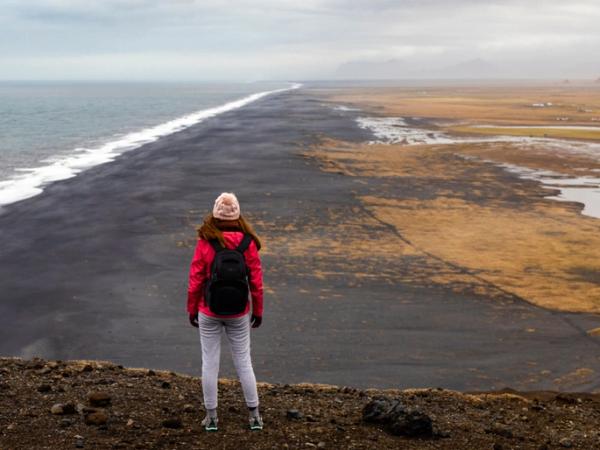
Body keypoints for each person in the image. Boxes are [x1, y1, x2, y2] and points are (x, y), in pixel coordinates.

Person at [187, 192, 264, 432]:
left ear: (215, 214)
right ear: (238, 214)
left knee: (210, 363)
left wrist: (192, 310)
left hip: (208, 310)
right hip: (239, 311)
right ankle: (254, 417)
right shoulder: (248, 243)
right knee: (243, 361)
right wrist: (258, 311)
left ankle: (211, 418)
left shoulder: (205, 241)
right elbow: (256, 282)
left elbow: (196, 280)